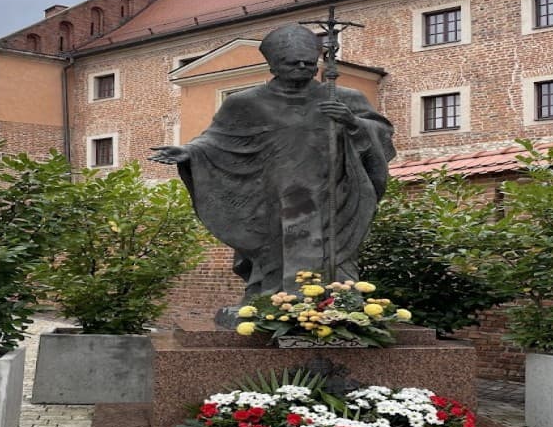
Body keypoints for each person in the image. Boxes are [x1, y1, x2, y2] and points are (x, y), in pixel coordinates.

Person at [150, 24, 395, 302]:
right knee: (275, 250)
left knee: (335, 252)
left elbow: (382, 135)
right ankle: (274, 304)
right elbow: (216, 139)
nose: (302, 67)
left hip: (334, 190)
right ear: (273, 65)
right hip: (271, 195)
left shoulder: (344, 97)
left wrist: (352, 122)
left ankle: (336, 303)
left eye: (308, 62)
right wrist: (189, 152)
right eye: (293, 62)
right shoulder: (245, 102)